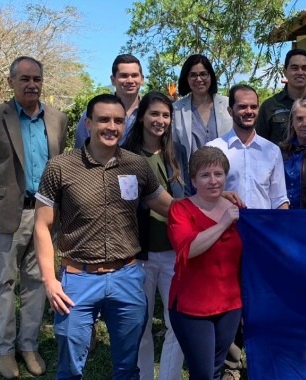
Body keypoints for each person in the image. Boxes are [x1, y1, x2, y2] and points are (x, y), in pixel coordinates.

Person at [33, 94, 174, 379]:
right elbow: (41, 227)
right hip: (77, 281)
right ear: (88, 123)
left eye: (119, 121)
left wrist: (214, 205)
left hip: (128, 278)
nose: (112, 127)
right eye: (104, 120)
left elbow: (169, 206)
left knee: (127, 366)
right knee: (71, 368)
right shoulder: (60, 167)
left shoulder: (136, 165)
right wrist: (50, 281)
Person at [0, 56, 67, 379]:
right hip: (9, 213)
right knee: (3, 282)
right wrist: (4, 194)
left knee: (38, 281)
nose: (31, 84)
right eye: (24, 78)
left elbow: (58, 164)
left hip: (45, 214)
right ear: (11, 82)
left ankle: (28, 346)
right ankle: (4, 351)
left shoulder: (56, 119)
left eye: (37, 79)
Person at [207, 84, 289, 380]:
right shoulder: (216, 149)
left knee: (262, 300)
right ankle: (231, 366)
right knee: (229, 302)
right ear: (230, 110)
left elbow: (280, 198)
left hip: (263, 241)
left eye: (253, 106)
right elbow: (205, 195)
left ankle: (262, 360)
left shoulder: (271, 150)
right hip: (226, 238)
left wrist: (278, 237)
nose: (249, 111)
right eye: (242, 106)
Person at [122, 91, 189, 380]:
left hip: (175, 251)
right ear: (141, 116)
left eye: (165, 115)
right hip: (140, 253)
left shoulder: (179, 152)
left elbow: (188, 197)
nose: (160, 120)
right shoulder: (126, 154)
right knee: (142, 324)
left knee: (178, 323)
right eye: (154, 114)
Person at [167, 146, 242, 380]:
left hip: (230, 304)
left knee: (217, 369)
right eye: (205, 175)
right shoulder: (180, 209)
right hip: (192, 306)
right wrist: (222, 223)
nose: (213, 181)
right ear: (193, 180)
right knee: (203, 374)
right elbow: (187, 250)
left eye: (218, 174)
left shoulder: (237, 209)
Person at [256, 48, 306, 144]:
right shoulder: (269, 106)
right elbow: (260, 146)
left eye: (305, 68)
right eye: (294, 68)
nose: (300, 72)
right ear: (285, 72)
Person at [74, 54, 144, 148]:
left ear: (142, 79)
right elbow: (80, 151)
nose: (130, 80)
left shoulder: (150, 113)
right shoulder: (93, 113)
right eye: (124, 75)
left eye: (134, 75)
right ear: (113, 80)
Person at [173, 54, 232, 161]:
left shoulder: (227, 104)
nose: (199, 79)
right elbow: (173, 148)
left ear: (211, 76)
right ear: (186, 78)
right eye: (193, 75)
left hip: (225, 174)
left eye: (203, 74)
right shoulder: (176, 109)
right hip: (190, 175)